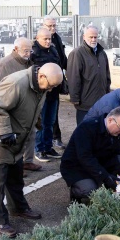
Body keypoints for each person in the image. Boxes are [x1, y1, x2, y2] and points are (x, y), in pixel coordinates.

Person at [0, 63, 63, 238]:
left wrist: (35, 123)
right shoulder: (17, 82)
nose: (51, 90)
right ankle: (0, 221)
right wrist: (5, 132)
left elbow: (33, 106)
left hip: (17, 139)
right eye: (51, 85)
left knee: (16, 178)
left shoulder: (41, 85)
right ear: (42, 76)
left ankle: (18, 208)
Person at [60, 107, 120, 205]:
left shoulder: (114, 130)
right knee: (90, 189)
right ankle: (76, 192)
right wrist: (106, 177)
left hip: (98, 161)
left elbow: (115, 150)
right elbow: (85, 158)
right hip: (76, 167)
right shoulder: (87, 127)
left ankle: (106, 186)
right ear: (110, 120)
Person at [0, 37, 41, 172]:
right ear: (15, 49)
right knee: (16, 138)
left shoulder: (30, 62)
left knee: (31, 133)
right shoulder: (5, 63)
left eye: (30, 51)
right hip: (13, 106)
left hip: (29, 103)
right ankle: (15, 167)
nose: (28, 54)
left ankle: (28, 161)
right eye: (25, 51)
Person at [67, 25, 111, 124]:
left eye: (95, 37)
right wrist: (75, 98)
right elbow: (73, 77)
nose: (93, 39)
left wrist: (107, 94)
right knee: (84, 131)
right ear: (84, 37)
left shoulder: (102, 53)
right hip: (85, 102)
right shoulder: (77, 53)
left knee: (99, 131)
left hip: (101, 101)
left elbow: (107, 75)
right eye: (90, 37)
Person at [31, 28, 62, 162]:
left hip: (53, 93)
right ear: (37, 38)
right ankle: (39, 149)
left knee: (50, 122)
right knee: (40, 123)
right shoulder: (34, 52)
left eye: (49, 38)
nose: (48, 41)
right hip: (41, 93)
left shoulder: (53, 50)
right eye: (45, 39)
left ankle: (48, 147)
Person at [42, 16, 68, 149]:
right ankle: (46, 142)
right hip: (45, 84)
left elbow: (62, 58)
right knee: (44, 115)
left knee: (53, 113)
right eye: (49, 26)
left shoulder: (57, 38)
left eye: (54, 25)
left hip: (56, 82)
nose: (52, 28)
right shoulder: (39, 43)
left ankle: (55, 138)